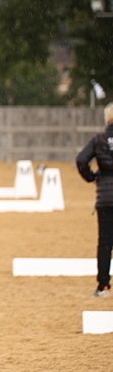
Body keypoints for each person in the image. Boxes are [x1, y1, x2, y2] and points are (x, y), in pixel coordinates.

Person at [75, 102, 113, 297]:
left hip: (105, 197)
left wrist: (92, 177)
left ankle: (103, 285)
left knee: (105, 242)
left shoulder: (99, 139)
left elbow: (81, 159)